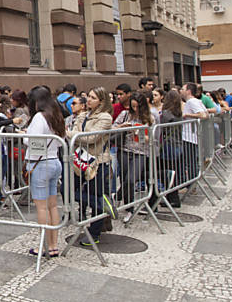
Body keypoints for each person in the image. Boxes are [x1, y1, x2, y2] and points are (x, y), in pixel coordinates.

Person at [67, 87, 114, 246]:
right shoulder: (82, 115)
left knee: (95, 193)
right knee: (66, 191)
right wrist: (77, 136)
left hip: (98, 161)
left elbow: (91, 138)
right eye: (88, 96)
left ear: (101, 101)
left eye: (93, 97)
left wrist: (74, 136)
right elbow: (77, 133)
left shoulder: (105, 117)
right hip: (80, 160)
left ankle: (94, 233)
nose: (89, 100)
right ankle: (103, 204)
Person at [23, 86, 66, 258]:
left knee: (41, 208)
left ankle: (43, 246)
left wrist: (24, 135)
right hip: (55, 161)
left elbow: (31, 141)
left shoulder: (39, 117)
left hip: (41, 164)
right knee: (52, 205)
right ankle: (54, 245)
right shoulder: (56, 115)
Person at [114, 91, 152, 221]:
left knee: (131, 179)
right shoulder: (125, 114)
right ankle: (128, 207)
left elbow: (152, 138)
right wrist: (122, 126)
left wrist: (137, 132)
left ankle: (119, 197)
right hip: (124, 150)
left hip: (140, 152)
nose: (135, 109)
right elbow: (113, 128)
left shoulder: (150, 117)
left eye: (137, 107)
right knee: (124, 178)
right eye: (132, 106)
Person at [150, 89, 185, 210]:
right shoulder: (178, 113)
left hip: (168, 146)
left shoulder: (166, 113)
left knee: (164, 173)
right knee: (171, 173)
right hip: (177, 145)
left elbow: (160, 130)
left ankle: (170, 199)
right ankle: (173, 198)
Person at [181, 83, 208, 183]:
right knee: (191, 161)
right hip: (192, 136)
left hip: (190, 137)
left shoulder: (192, 101)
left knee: (190, 161)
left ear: (188, 91)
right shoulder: (196, 101)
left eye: (183, 89)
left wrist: (187, 114)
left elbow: (204, 115)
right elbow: (206, 114)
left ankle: (191, 184)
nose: (181, 91)